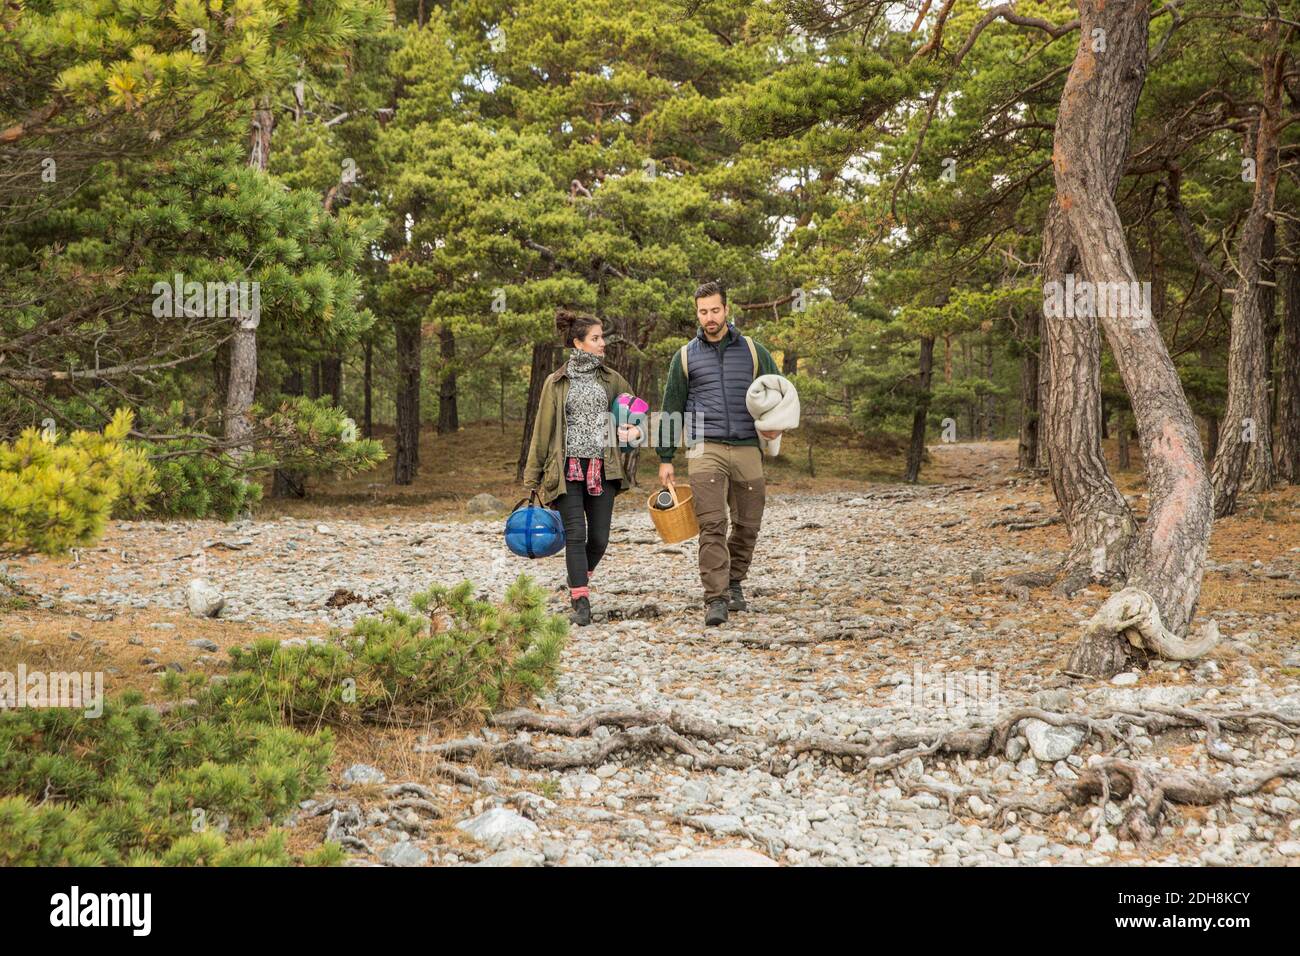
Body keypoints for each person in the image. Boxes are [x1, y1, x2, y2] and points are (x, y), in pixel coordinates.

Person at [655, 280, 782, 626]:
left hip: (746, 445)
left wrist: (775, 426)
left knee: (747, 522)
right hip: (703, 446)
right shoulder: (684, 357)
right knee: (712, 523)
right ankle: (716, 598)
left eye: (714, 310)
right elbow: (671, 409)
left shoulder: (755, 352)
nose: (709, 317)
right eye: (702, 311)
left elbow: (779, 393)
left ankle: (735, 581)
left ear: (727, 309)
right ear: (696, 313)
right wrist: (665, 457)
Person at [523, 308, 642, 626]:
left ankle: (579, 580)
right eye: (596, 338)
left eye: (601, 337)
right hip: (566, 470)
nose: (602, 343)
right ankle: (581, 600)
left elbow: (636, 416)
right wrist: (533, 476)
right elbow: (542, 429)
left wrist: (634, 432)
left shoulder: (613, 379)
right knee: (576, 535)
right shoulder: (556, 382)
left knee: (599, 538)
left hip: (604, 469)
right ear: (578, 343)